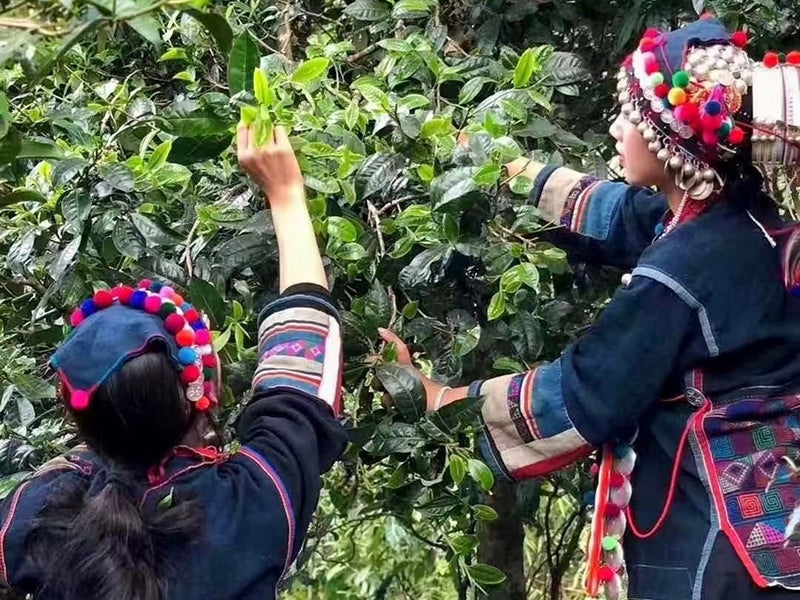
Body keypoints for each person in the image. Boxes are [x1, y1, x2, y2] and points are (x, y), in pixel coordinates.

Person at [381, 16, 800, 600]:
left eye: (628, 115)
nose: (614, 128)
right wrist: (493, 168)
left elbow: (585, 395)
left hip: (710, 541)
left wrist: (441, 401)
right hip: (777, 519)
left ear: (665, 139)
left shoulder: (675, 274)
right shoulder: (754, 223)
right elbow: (619, 213)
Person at [0, 125, 347, 600]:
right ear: (205, 386)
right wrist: (286, 195)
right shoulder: (248, 507)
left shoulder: (33, 518)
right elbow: (301, 363)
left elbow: (298, 381)